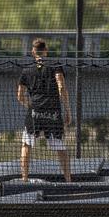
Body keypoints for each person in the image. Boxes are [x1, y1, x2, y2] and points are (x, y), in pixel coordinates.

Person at [16, 38, 72, 182]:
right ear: (46, 50)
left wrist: (31, 105)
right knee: (60, 146)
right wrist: (67, 110)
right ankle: (68, 180)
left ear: (33, 52)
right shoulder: (55, 66)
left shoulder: (26, 70)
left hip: (35, 110)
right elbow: (61, 87)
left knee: (26, 144)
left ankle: (24, 179)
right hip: (53, 110)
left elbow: (20, 96)